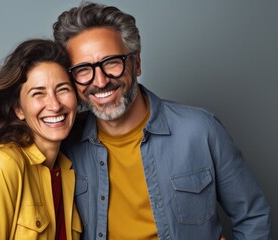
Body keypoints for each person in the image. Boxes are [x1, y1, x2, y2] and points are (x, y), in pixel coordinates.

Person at [53, 2, 271, 240]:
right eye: (84, 69)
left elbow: (252, 216)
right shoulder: (64, 143)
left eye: (112, 62)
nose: (101, 80)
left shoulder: (200, 130)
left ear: (136, 63)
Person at [0, 39, 82, 239]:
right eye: (38, 94)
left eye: (62, 89)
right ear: (19, 109)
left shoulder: (66, 170)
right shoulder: (0, 166)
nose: (55, 105)